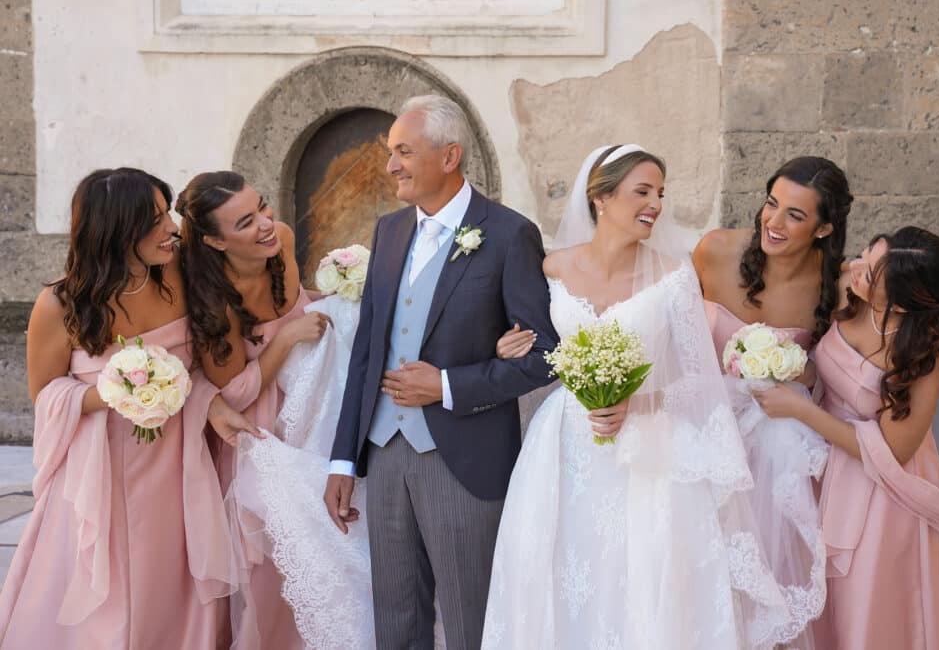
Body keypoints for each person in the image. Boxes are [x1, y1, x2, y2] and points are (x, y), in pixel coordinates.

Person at [482, 145, 801, 650]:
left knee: (643, 582)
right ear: (601, 198)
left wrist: (640, 403)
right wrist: (503, 347)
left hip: (652, 454)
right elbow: (538, 348)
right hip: (564, 445)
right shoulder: (551, 270)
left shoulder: (674, 278)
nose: (655, 204)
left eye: (660, 193)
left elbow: (701, 381)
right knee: (561, 570)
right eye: (642, 192)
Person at [323, 94, 558, 650]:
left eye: (404, 151)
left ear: (449, 156)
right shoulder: (389, 231)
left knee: (470, 616)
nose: (391, 165)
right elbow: (366, 353)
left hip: (466, 456)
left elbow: (544, 351)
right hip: (384, 452)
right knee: (395, 616)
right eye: (390, 152)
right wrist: (343, 458)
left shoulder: (507, 235)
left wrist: (449, 385)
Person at [0, 168, 242, 649]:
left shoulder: (179, 276)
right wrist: (115, 390)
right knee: (104, 590)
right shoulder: (59, 303)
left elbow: (197, 368)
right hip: (98, 473)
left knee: (168, 574)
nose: (172, 228)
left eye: (168, 213)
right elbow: (45, 395)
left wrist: (209, 404)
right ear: (116, 229)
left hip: (175, 464)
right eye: (155, 219)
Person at [753, 226, 939, 650]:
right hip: (826, 464)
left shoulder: (924, 359)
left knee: (866, 606)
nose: (855, 269)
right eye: (865, 256)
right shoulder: (849, 296)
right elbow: (830, 371)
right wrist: (795, 366)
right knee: (823, 603)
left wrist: (801, 410)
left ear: (905, 303)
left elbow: (894, 452)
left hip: (883, 494)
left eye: (871, 275)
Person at [691, 156, 854, 647]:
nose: (773, 222)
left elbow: (835, 369)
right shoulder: (714, 249)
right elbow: (667, 328)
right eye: (771, 204)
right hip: (704, 421)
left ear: (824, 228)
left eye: (795, 215)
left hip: (775, 438)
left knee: (763, 565)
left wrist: (793, 368)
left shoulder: (837, 283)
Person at [175, 170, 333, 649]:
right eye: (245, 222)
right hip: (262, 432)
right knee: (275, 562)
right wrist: (283, 339)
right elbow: (238, 391)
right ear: (215, 242)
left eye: (262, 206)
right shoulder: (211, 297)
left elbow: (301, 302)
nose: (266, 223)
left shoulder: (281, 239)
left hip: (317, 403)